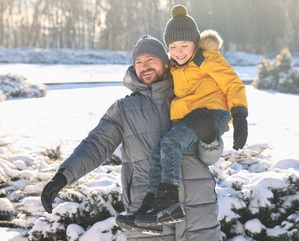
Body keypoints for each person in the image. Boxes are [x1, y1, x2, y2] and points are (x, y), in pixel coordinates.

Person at [41, 35, 225, 240]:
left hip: (198, 213)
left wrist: (209, 137)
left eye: (150, 60)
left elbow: (210, 158)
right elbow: (96, 145)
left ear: (165, 62)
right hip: (146, 218)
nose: (144, 66)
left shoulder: (191, 99)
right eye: (138, 62)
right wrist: (63, 176)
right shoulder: (124, 110)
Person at [133, 5, 248, 228]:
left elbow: (233, 84)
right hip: (189, 118)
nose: (179, 51)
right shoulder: (174, 66)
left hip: (212, 113)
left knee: (171, 142)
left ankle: (170, 204)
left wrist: (240, 115)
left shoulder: (207, 59)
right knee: (159, 147)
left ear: (195, 43)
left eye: (184, 45)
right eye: (173, 46)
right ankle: (151, 202)